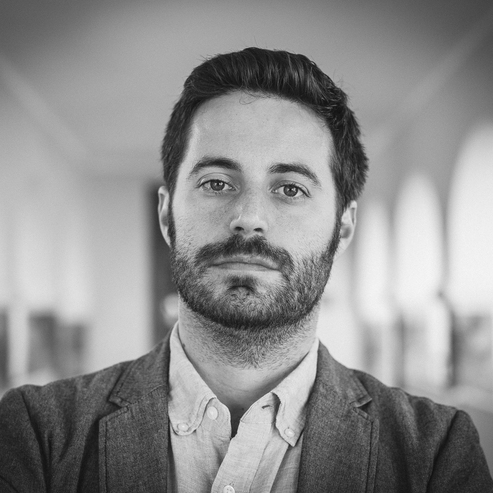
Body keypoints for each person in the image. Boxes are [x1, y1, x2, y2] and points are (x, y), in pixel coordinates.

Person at [0, 47, 491, 493]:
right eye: (217, 183)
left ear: (343, 228)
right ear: (167, 215)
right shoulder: (37, 434)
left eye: (291, 189)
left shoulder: (435, 453)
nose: (249, 218)